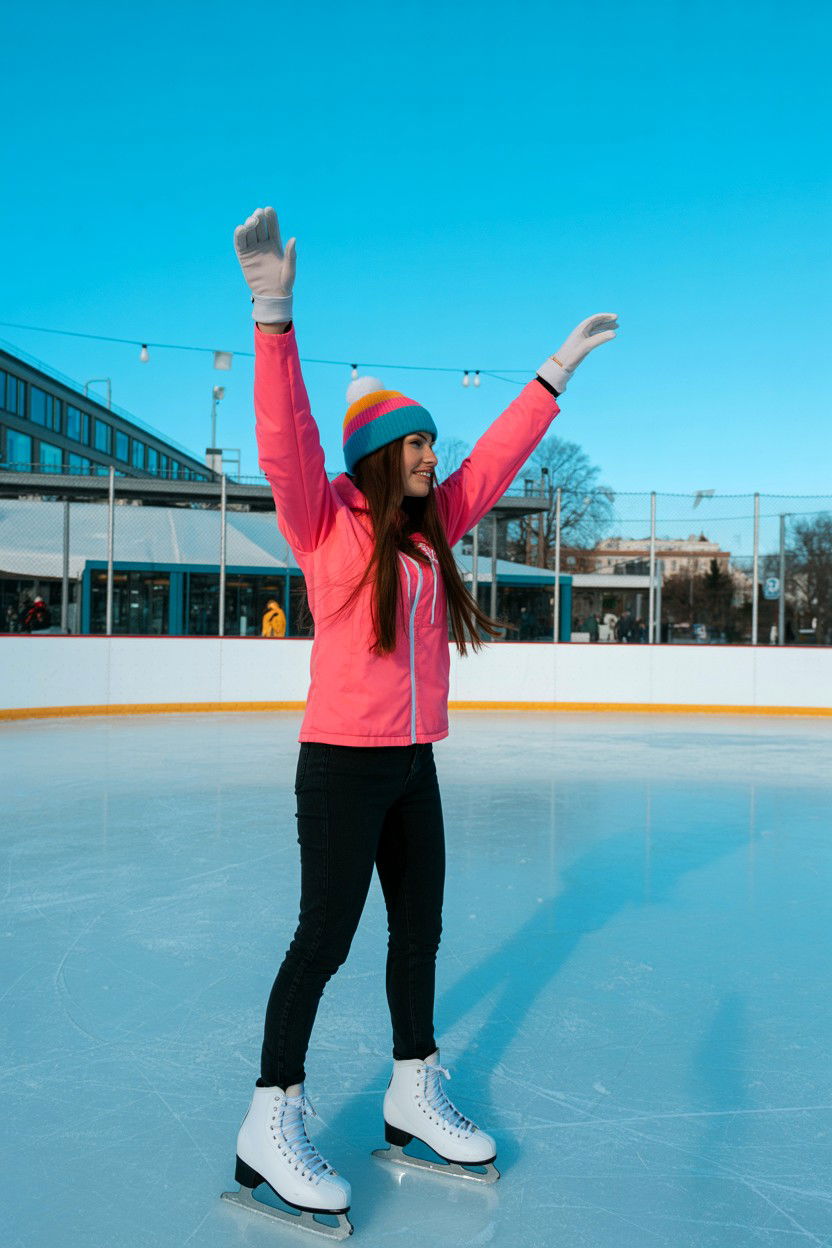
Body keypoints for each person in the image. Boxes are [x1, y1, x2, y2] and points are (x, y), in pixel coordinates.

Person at [224, 205, 618, 1237]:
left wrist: (554, 373)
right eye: (417, 446)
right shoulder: (322, 522)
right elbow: (287, 437)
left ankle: (411, 1086)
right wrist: (273, 316)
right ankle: (270, 1117)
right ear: (380, 454)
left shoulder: (434, 531)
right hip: (340, 766)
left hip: (411, 764)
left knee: (419, 932)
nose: (435, 459)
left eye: (435, 445)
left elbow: (497, 453)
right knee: (323, 939)